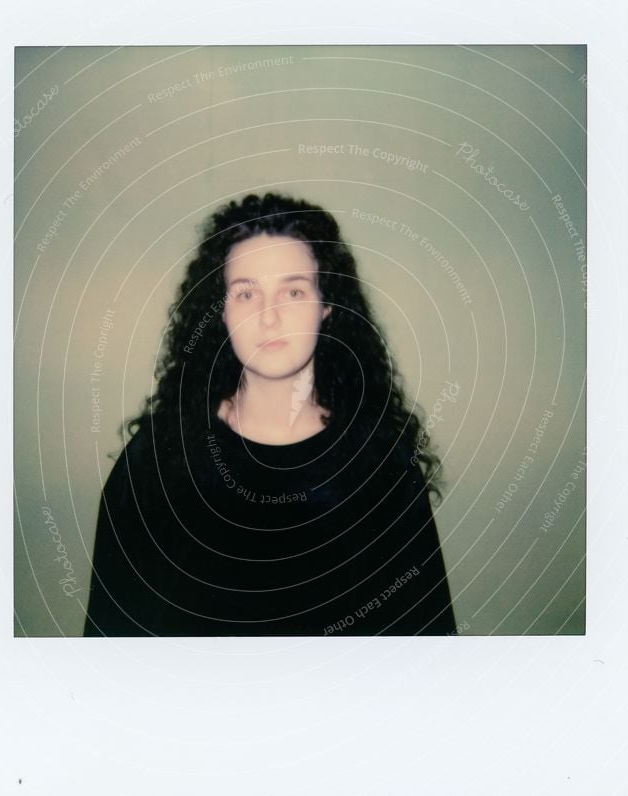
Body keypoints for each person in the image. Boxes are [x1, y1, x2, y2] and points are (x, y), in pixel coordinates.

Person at [83, 192, 456, 637]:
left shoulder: (383, 470)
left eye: (293, 290)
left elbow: (425, 650)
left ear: (327, 306)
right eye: (246, 293)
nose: (270, 317)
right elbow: (110, 650)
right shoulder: (154, 467)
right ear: (220, 312)